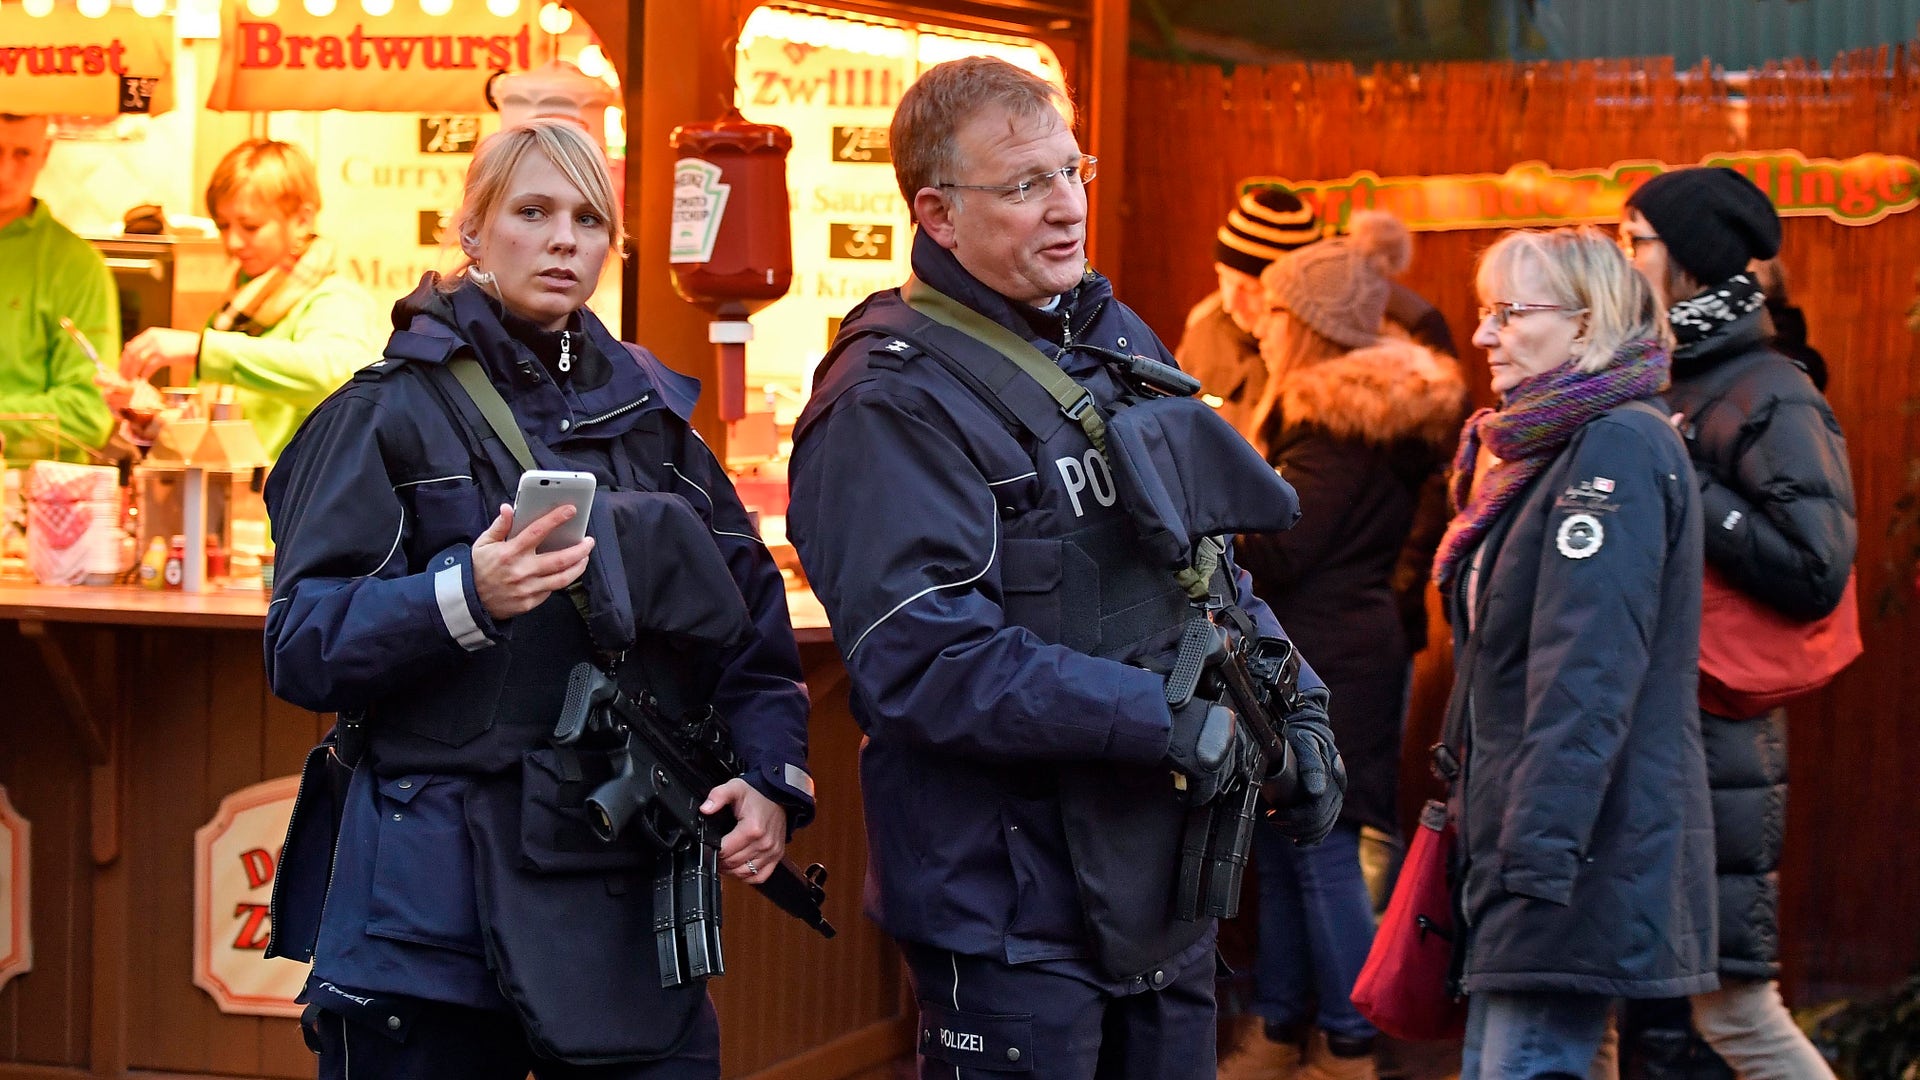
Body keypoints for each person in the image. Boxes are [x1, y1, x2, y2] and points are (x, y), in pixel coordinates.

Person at [786, 57, 1346, 1079]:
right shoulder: (885, 402)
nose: (1064, 207)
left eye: (1068, 171)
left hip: (1160, 882)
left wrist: (1293, 706)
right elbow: (921, 663)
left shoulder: (1111, 334)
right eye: (1023, 185)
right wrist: (1160, 720)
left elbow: (1204, 567)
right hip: (1008, 911)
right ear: (937, 214)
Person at [260, 118, 814, 1079]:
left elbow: (752, 625)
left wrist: (773, 779)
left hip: (615, 905)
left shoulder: (656, 425)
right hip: (430, 918)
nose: (565, 239)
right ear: (472, 230)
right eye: (532, 212)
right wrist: (461, 596)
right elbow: (301, 643)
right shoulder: (381, 413)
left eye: (589, 219)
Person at [1432, 226, 1717, 1080]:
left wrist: (1535, 864)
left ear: (1589, 326)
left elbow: (1585, 676)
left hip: (1566, 855)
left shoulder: (1616, 446)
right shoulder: (1547, 450)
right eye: (1487, 312)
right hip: (1533, 845)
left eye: (1510, 313)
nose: (1484, 335)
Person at [1618, 167, 1854, 1080]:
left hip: (1718, 743)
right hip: (1659, 731)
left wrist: (1682, 471)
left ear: (1688, 261)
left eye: (1637, 238)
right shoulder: (1663, 378)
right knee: (1603, 998)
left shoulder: (1770, 391)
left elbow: (1813, 567)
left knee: (1734, 1012)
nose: (1623, 255)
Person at [1220, 210, 1466, 1080]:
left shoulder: (1332, 422)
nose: (1263, 327)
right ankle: (1285, 1025)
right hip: (1333, 652)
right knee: (1296, 846)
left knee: (1320, 851)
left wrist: (1205, 520)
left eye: (1277, 314)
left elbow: (1284, 544)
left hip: (1325, 658)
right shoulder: (1366, 416)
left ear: (1306, 324)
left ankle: (1352, 1043)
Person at [96, 139, 384, 460]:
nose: (233, 242)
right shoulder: (238, 311)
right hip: (236, 505)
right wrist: (149, 418)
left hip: (294, 509)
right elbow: (223, 441)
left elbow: (340, 373)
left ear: (302, 220)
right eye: (224, 225)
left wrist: (202, 349)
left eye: (250, 226)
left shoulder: (334, 299)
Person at [1176, 185, 1453, 441]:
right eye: (1223, 277)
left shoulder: (1400, 327)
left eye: (1250, 288)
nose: (1229, 302)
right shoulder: (1204, 326)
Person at [0, 113, 116, 464]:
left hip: (37, 500)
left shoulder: (78, 267)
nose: (5, 171)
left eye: (23, 154)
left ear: (46, 152)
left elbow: (89, 410)